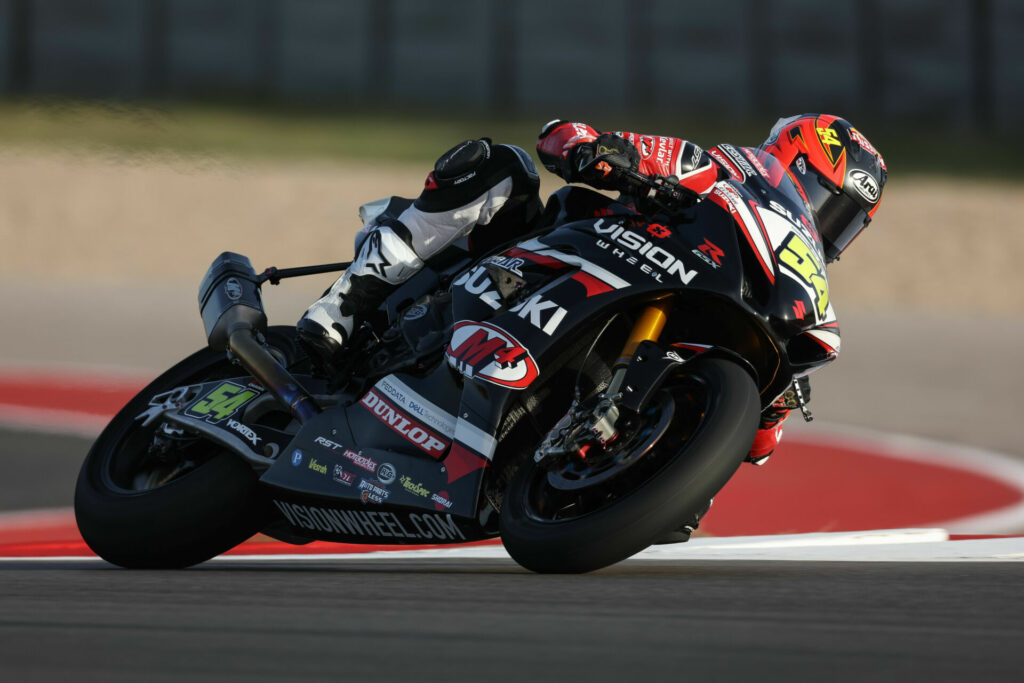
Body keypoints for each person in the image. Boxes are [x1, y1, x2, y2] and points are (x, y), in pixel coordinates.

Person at [298, 114, 887, 470]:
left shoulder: (781, 276)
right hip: (541, 258)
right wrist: (597, 152)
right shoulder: (712, 167)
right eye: (823, 193)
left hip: (622, 311)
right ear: (792, 158)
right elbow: (566, 136)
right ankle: (342, 309)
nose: (825, 221)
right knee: (504, 167)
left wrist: (771, 395)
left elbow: (756, 450)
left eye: (844, 218)